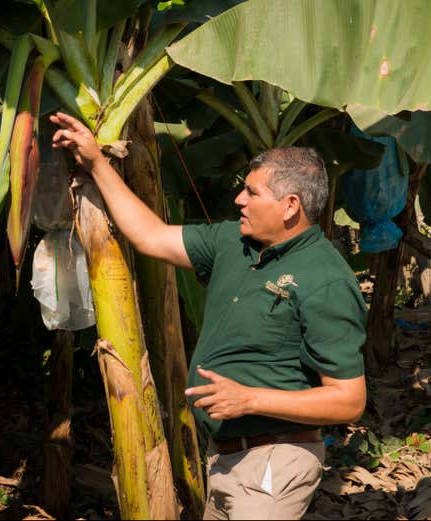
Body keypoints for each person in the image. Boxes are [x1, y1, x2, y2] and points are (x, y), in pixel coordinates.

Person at [50, 111, 367, 520]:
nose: (239, 200)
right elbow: (150, 235)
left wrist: (250, 399)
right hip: (224, 460)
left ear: (290, 206)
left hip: (276, 460)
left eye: (252, 193)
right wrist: (96, 163)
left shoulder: (325, 278)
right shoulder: (231, 241)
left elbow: (349, 401)